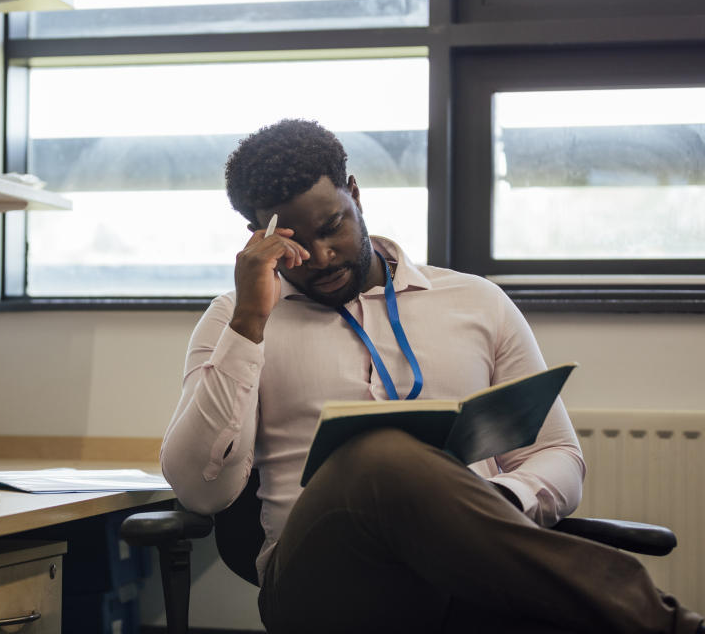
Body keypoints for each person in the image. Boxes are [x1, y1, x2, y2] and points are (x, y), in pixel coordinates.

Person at [160, 119, 703, 633]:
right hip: (321, 584)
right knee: (377, 456)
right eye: (299, 245)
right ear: (261, 236)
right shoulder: (238, 320)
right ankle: (667, 624)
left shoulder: (476, 301)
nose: (323, 257)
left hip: (466, 573)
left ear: (355, 192)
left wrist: (498, 503)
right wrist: (250, 320)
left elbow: (559, 457)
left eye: (334, 227)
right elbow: (198, 491)